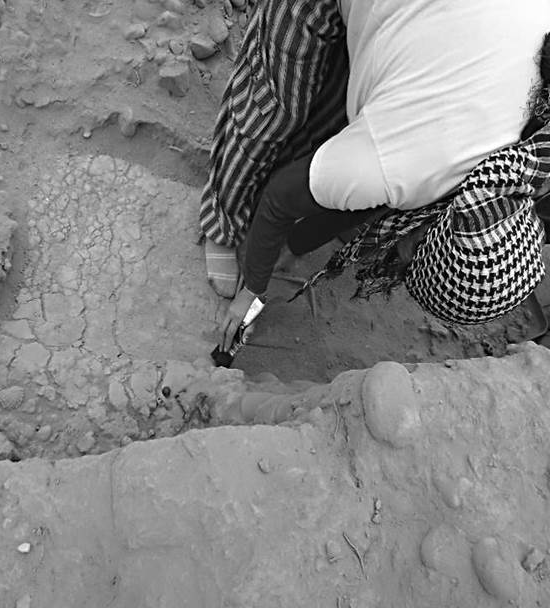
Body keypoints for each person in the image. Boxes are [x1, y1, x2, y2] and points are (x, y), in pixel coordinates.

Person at [199, 0, 550, 352]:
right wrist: (252, 291)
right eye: (409, 266)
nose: (400, 266)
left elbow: (388, 196)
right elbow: (279, 200)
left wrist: (294, 244)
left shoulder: (517, 161)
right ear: (422, 241)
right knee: (273, 113)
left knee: (338, 116)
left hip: (449, 28)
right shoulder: (403, 164)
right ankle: (221, 222)